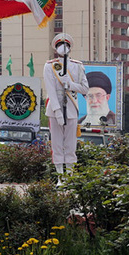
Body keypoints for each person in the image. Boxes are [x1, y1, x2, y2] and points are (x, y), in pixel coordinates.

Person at [43, 33, 89, 178]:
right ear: (55, 48)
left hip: (71, 107)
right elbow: (50, 90)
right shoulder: (50, 66)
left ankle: (69, 175)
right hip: (54, 109)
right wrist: (57, 111)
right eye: (60, 46)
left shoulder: (77, 66)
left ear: (70, 48)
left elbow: (85, 89)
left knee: (70, 144)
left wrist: (70, 84)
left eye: (65, 46)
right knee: (56, 144)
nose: (63, 48)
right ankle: (60, 176)